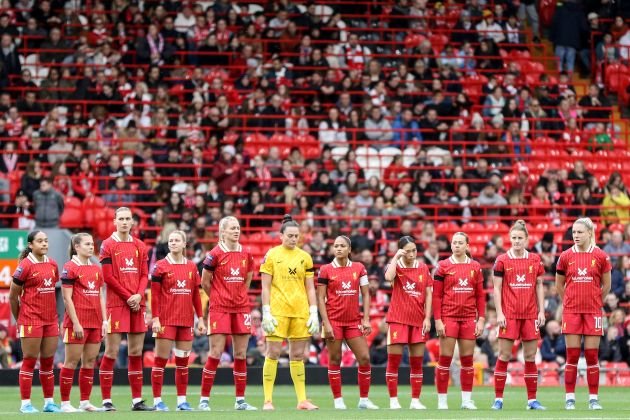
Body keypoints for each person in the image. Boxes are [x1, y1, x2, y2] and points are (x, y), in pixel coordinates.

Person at [260, 214, 319, 411]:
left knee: (298, 355)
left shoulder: (305, 257)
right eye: (290, 235)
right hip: (277, 311)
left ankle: (302, 400)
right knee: (273, 353)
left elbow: (310, 287)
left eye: (296, 236)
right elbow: (265, 286)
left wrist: (313, 311)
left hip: (300, 312)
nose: (294, 239)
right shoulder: (271, 255)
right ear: (281, 236)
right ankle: (267, 400)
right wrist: (266, 311)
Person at [199, 217, 257, 411]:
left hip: (241, 308)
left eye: (238, 228)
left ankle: (240, 400)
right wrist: (217, 298)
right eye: (232, 228)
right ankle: (204, 399)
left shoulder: (246, 253)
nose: (236, 231)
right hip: (220, 308)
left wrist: (238, 296)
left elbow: (248, 278)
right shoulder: (214, 254)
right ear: (222, 232)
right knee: (215, 352)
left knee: (240, 354)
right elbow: (205, 282)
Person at [99, 207, 153, 411]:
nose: (124, 222)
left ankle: (137, 401)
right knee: (111, 351)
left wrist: (138, 295)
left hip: (137, 302)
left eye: (127, 219)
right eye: (120, 218)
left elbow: (143, 275)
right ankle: (106, 400)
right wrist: (128, 296)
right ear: (114, 221)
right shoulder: (107, 245)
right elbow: (108, 277)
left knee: (136, 351)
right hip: (117, 303)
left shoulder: (140, 245)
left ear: (132, 222)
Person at [556, 217, 612, 410]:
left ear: (589, 233)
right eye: (574, 232)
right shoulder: (565, 256)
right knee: (571, 356)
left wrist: (596, 302)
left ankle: (593, 399)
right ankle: (569, 398)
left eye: (580, 232)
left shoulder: (601, 256)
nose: (576, 236)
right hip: (572, 312)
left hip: (593, 312)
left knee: (591, 356)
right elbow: (558, 284)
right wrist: (569, 302)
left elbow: (607, 285)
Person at [317, 236, 378, 410]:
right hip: (333, 321)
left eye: (342, 246)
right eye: (335, 246)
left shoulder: (359, 268)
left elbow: (366, 294)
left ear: (349, 249)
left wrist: (366, 319)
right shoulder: (325, 270)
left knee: (365, 358)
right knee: (335, 359)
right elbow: (321, 298)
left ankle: (364, 400)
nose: (338, 248)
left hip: (353, 322)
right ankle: (338, 400)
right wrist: (326, 323)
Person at [491, 220, 547, 410]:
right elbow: (496, 289)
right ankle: (498, 399)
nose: (516, 241)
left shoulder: (535, 259)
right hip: (509, 314)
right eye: (513, 238)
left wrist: (541, 311)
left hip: (530, 314)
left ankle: (532, 400)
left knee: (530, 356)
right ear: (509, 239)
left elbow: (539, 285)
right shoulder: (501, 260)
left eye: (520, 238)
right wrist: (499, 313)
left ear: (527, 239)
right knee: (504, 355)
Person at [150, 230, 206, 411]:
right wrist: (155, 318)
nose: (173, 243)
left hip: (186, 320)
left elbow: (196, 295)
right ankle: (157, 401)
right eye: (171, 240)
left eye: (177, 240)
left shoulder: (191, 267)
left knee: (183, 362)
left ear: (184, 244)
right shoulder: (160, 266)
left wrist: (201, 319)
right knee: (161, 360)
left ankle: (182, 401)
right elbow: (155, 296)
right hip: (166, 320)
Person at [9, 231, 61, 413]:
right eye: (40, 241)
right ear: (31, 245)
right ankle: (25, 404)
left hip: (51, 320)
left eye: (46, 240)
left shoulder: (53, 264)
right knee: (29, 361)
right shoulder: (25, 266)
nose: (44, 244)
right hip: (31, 320)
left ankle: (49, 403)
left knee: (48, 362)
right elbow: (13, 297)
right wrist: (21, 320)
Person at [433, 232, 485, 410]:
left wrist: (481, 319)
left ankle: (466, 400)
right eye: (454, 242)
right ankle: (442, 401)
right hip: (449, 317)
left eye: (460, 243)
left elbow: (480, 295)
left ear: (467, 246)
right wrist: (438, 320)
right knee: (445, 360)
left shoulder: (475, 267)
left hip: (469, 318)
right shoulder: (443, 266)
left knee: (467, 360)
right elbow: (437, 295)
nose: (456, 245)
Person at [383, 236, 433, 410]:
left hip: (418, 320)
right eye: (408, 251)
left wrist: (427, 318)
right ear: (401, 250)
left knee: (417, 362)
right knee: (394, 362)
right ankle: (393, 400)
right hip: (398, 319)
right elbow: (388, 277)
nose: (412, 254)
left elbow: (428, 294)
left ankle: (415, 400)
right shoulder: (396, 266)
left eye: (414, 250)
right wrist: (396, 257)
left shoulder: (423, 268)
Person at [59, 233, 107, 412]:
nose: (91, 247)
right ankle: (65, 403)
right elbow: (66, 298)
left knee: (89, 362)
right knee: (70, 362)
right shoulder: (70, 267)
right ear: (76, 247)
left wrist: (104, 321)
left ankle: (85, 402)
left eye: (92, 244)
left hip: (95, 323)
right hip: (77, 323)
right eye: (87, 244)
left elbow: (101, 295)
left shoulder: (96, 268)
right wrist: (76, 323)